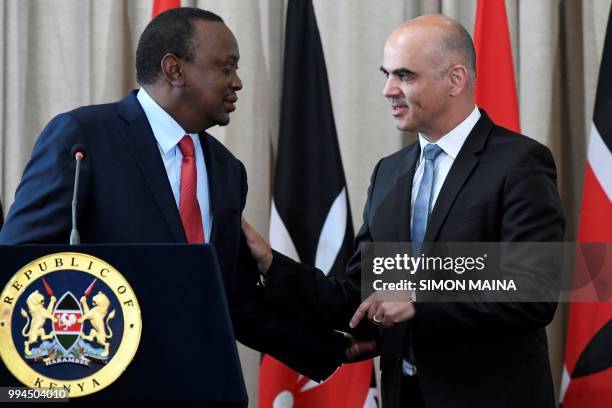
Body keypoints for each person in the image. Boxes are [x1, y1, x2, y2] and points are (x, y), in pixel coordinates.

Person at [0, 7, 349, 383]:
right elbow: (22, 266)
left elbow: (235, 300)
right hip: (107, 385)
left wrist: (329, 349)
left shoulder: (228, 170)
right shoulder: (84, 139)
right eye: (226, 68)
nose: (238, 82)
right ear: (174, 69)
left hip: (205, 387)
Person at [243, 13, 565, 408]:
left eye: (405, 76)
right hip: (404, 396)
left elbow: (533, 289)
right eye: (386, 74)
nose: (387, 89)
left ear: (456, 79)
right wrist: (271, 264)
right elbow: (358, 294)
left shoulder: (520, 163)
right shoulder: (390, 173)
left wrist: (419, 294)